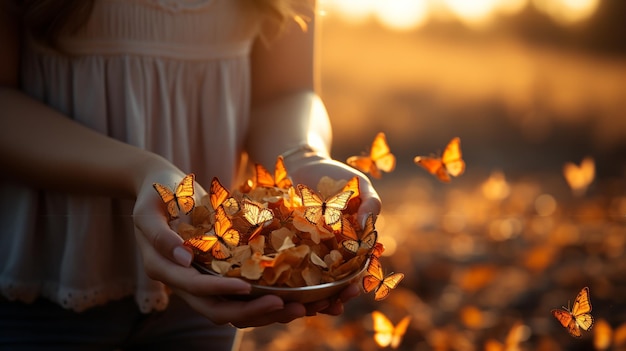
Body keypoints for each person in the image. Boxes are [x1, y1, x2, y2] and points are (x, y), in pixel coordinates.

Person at [0, 0, 381, 349]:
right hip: (37, 285)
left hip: (212, 277)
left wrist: (301, 154)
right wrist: (142, 172)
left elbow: (283, 92)